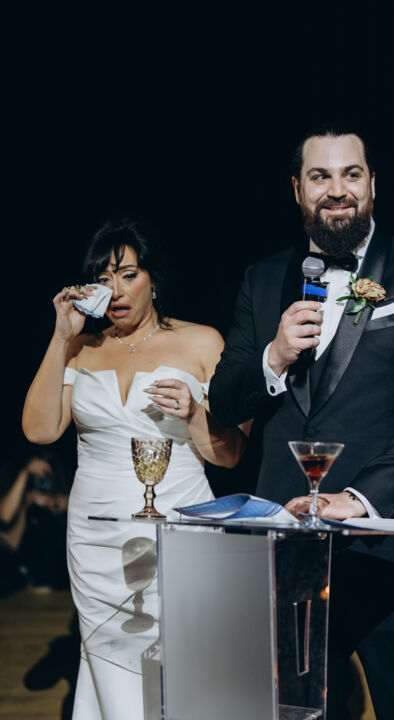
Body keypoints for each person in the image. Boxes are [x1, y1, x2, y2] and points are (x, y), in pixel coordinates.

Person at [209, 125, 394, 719]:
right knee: (296, 710)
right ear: (297, 189)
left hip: (389, 545)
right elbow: (223, 403)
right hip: (289, 546)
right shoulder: (261, 279)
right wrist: (274, 356)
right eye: (320, 176)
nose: (337, 189)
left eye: (351, 174)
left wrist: (359, 498)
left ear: (372, 184)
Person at [22, 218, 247, 720]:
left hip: (180, 522)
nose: (116, 290)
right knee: (109, 655)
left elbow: (230, 454)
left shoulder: (202, 343)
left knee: (186, 659)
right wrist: (61, 338)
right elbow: (39, 430)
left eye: (128, 274)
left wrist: (193, 414)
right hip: (95, 535)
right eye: (103, 279)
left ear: (153, 280)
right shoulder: (80, 349)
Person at [0, 447, 70, 595]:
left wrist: (49, 502)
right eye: (36, 476)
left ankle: (41, 578)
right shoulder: (13, 484)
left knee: (55, 523)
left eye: (44, 477)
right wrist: (25, 472)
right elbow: (5, 516)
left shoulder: (53, 493)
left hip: (37, 563)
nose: (40, 481)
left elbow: (70, 503)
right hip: (8, 556)